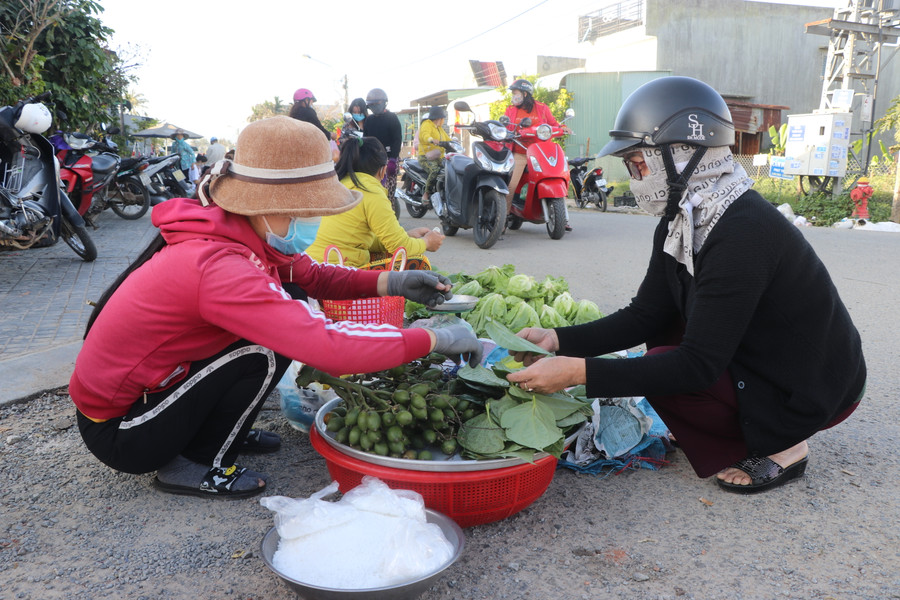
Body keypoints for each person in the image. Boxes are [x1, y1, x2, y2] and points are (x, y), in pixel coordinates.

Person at [68, 116, 482, 500]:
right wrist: (434, 338)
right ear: (266, 207)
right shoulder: (219, 266)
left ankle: (210, 431)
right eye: (307, 212)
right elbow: (326, 345)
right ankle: (193, 462)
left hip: (156, 393)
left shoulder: (245, 234)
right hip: (124, 430)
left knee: (285, 313)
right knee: (264, 349)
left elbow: (315, 276)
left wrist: (392, 281)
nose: (313, 222)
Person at [505, 76, 866, 495]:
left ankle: (787, 444)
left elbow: (697, 365)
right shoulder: (684, 216)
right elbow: (645, 314)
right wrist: (557, 340)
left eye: (638, 164)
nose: (634, 178)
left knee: (669, 366)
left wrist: (579, 373)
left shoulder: (744, 231)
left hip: (817, 382)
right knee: (662, 333)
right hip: (759, 352)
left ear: (681, 156)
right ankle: (732, 422)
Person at [307, 136, 444, 269]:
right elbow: (401, 248)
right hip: (337, 270)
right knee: (418, 263)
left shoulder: (338, 183)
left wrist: (407, 235)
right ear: (383, 170)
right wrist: (426, 242)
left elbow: (363, 240)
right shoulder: (370, 191)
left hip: (312, 265)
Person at [502, 79, 571, 231]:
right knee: (511, 185)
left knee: (560, 175)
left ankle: (562, 217)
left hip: (541, 152)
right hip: (520, 152)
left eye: (516, 93)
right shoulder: (511, 110)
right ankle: (503, 218)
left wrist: (563, 127)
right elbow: (506, 127)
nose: (513, 96)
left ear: (525, 94)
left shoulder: (541, 108)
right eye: (513, 93)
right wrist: (508, 132)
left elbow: (554, 124)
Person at [363, 88, 402, 202]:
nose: (375, 107)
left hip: (389, 160)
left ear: (384, 103)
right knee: (373, 193)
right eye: (372, 105)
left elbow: (397, 139)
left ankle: (390, 215)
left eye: (377, 104)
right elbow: (366, 140)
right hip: (372, 160)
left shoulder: (392, 118)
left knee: (388, 194)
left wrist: (393, 159)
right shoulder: (369, 120)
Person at [417, 106, 451, 202]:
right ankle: (426, 194)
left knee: (449, 169)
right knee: (435, 170)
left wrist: (454, 142)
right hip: (425, 157)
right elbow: (424, 135)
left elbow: (447, 139)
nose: (443, 120)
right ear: (438, 118)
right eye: (442, 118)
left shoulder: (439, 128)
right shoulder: (426, 124)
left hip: (438, 156)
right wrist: (431, 140)